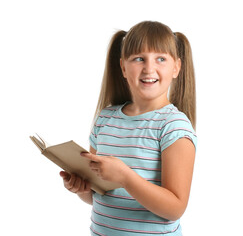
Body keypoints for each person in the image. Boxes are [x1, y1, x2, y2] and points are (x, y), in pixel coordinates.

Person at [60, 21, 197, 236]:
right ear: (123, 67)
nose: (149, 68)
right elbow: (98, 195)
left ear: (176, 67)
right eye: (139, 59)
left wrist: (126, 177)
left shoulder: (173, 126)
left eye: (160, 59)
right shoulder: (105, 119)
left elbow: (175, 208)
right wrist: (81, 188)